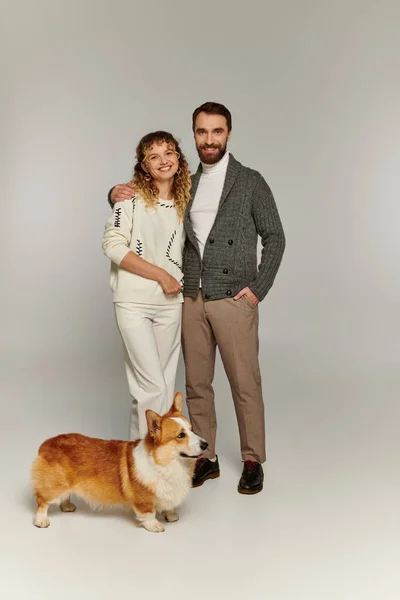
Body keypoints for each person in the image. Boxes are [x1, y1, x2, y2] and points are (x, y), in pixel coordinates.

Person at [109, 102, 285, 494]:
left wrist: (258, 288)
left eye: (217, 132)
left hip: (234, 298)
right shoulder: (187, 181)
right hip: (190, 297)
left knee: (244, 383)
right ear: (194, 136)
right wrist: (113, 193)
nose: (209, 140)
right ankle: (206, 459)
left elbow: (276, 236)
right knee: (197, 385)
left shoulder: (250, 181)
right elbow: (148, 198)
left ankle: (253, 459)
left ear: (228, 134)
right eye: (202, 133)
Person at [102, 131, 191, 440]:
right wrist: (161, 275)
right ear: (143, 166)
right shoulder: (129, 200)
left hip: (171, 305)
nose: (163, 160)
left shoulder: (187, 204)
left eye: (169, 153)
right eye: (154, 156)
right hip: (134, 301)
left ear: (179, 159)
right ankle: (145, 467)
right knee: (150, 386)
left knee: (162, 389)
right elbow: (113, 246)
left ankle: (146, 457)